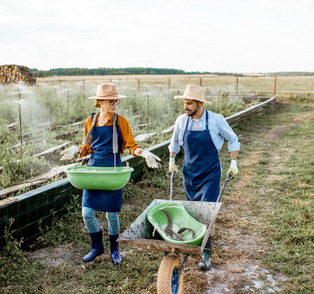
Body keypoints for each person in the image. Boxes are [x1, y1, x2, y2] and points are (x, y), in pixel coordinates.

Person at [60, 83, 160, 265]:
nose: (114, 103)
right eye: (110, 101)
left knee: (111, 214)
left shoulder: (120, 121)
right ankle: (97, 247)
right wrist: (76, 149)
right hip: (94, 170)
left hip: (112, 170)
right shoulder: (90, 121)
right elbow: (88, 146)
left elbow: (131, 146)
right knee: (87, 212)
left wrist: (143, 153)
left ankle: (115, 249)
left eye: (116, 101)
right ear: (100, 102)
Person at [167, 84, 240, 270]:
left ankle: (206, 254)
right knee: (192, 212)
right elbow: (174, 142)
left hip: (210, 174)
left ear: (200, 103)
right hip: (189, 173)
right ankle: (194, 243)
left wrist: (233, 163)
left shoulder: (216, 120)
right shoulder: (182, 121)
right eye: (184, 103)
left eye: (189, 103)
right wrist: (172, 160)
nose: (186, 107)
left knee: (206, 213)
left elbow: (233, 139)